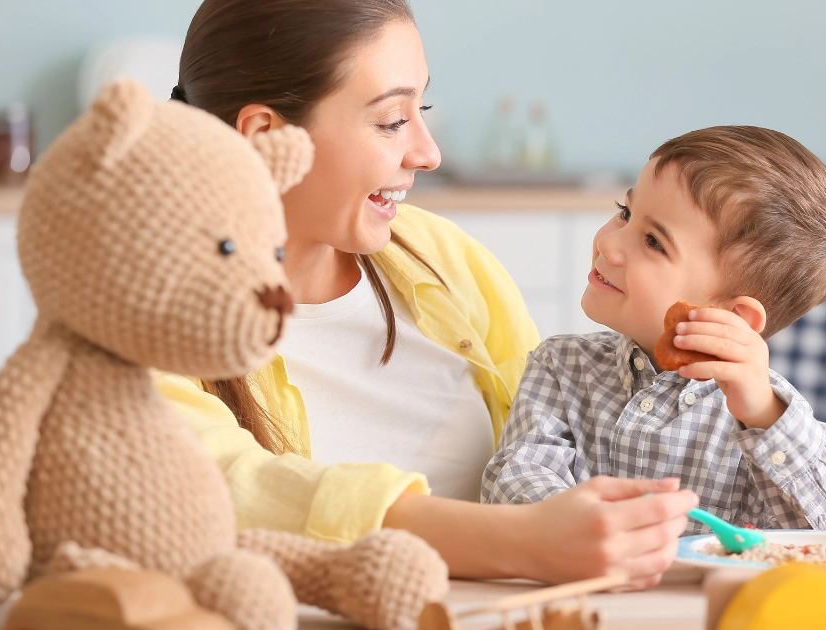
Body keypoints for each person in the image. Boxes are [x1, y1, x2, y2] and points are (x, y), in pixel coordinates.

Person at [157, 0, 696, 589]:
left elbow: (558, 439)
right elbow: (229, 489)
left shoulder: (442, 258)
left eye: (424, 108)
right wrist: (524, 544)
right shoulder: (142, 320)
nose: (427, 152)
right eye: (391, 120)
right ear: (265, 136)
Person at [482, 126, 826, 535]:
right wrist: (596, 525)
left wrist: (765, 415)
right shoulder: (561, 366)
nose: (609, 244)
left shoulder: (762, 414)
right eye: (625, 212)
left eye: (653, 242)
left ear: (732, 316)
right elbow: (512, 482)